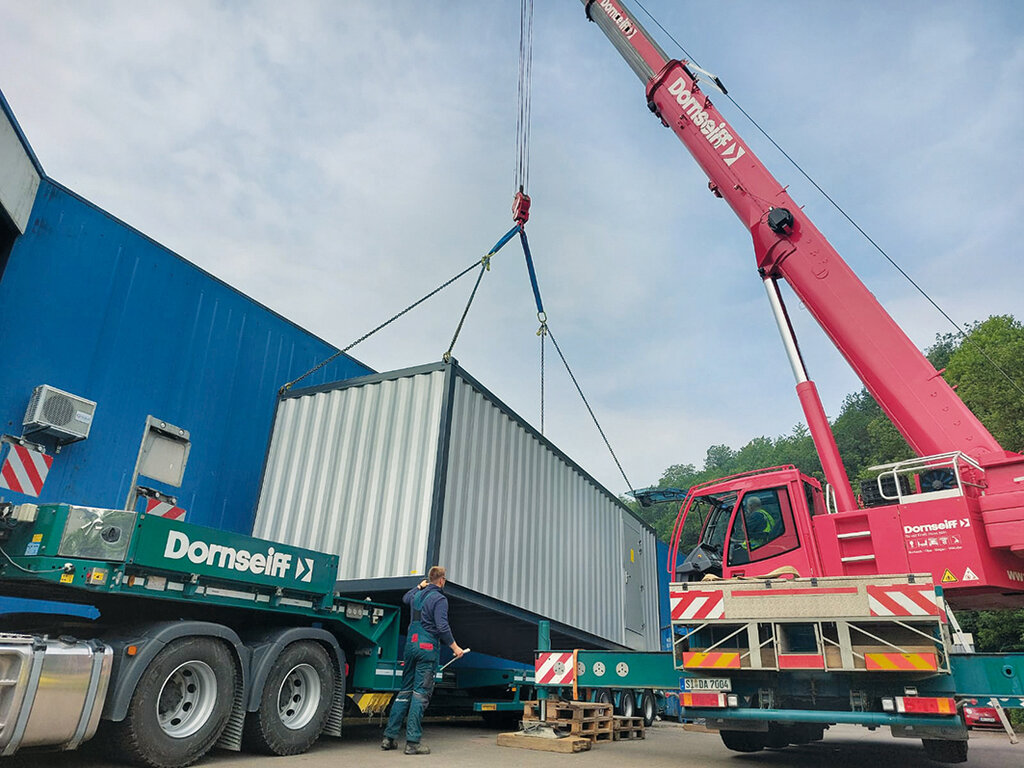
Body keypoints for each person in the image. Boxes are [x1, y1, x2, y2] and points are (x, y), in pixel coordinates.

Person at [381, 565, 465, 755]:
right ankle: (412, 743)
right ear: (442, 580)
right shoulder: (440, 599)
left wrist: (419, 586)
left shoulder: (417, 596)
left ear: (429, 579)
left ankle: (389, 738)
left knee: (404, 692)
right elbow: (442, 626)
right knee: (420, 694)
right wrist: (455, 647)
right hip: (426, 649)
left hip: (410, 646)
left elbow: (405, 598)